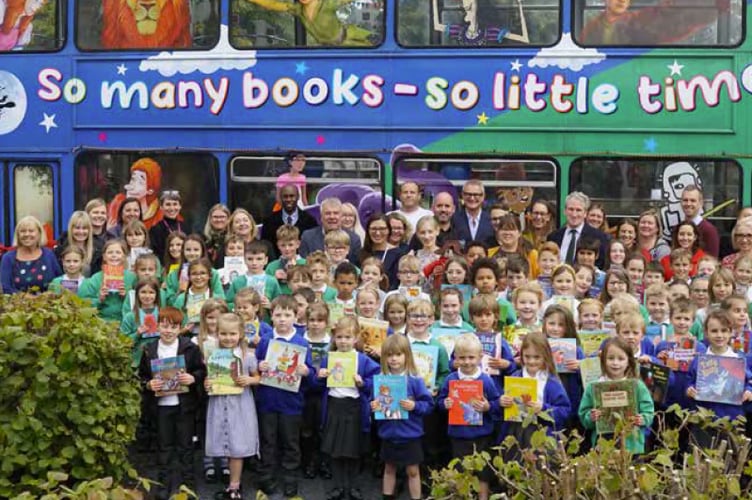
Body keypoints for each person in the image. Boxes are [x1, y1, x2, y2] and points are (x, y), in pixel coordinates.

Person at [139, 307, 205, 499]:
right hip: (160, 407)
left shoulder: (189, 348)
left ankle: (187, 485)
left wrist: (193, 378)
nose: (168, 330)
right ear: (158, 326)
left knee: (185, 446)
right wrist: (149, 384)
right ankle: (163, 484)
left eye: (173, 327)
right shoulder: (150, 349)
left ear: (180, 328)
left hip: (184, 406)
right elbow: (141, 377)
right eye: (164, 326)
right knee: (164, 446)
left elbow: (201, 371)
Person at [255, 295, 314, 497]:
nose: (282, 319)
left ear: (295, 317)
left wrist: (306, 372)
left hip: (291, 403)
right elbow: (255, 369)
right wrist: (259, 366)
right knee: (268, 441)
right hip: (268, 401)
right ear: (271, 316)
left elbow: (312, 376)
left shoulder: (302, 343)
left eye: (287, 315)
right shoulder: (265, 341)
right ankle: (267, 477)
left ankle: (290, 479)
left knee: (291, 443)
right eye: (278, 315)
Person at [318, 316, 380, 500]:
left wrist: (363, 383)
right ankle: (337, 486)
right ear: (334, 338)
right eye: (339, 337)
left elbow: (376, 382)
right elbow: (317, 384)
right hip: (333, 406)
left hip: (354, 408)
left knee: (354, 451)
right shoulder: (329, 358)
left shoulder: (363, 360)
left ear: (356, 339)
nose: (343, 341)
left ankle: (353, 486)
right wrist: (320, 376)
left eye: (347, 337)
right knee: (335, 451)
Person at [204, 312, 261, 500]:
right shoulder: (213, 355)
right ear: (217, 333)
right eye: (224, 334)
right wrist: (207, 383)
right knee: (223, 441)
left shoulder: (247, 355)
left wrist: (250, 380)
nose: (228, 338)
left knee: (237, 444)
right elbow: (210, 378)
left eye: (232, 334)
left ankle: (234, 487)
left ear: (241, 334)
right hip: (219, 403)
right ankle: (230, 484)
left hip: (240, 404)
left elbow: (259, 377)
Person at [438, 333, 501, 500]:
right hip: (458, 435)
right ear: (456, 358)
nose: (467, 362)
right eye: (462, 358)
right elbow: (440, 402)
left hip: (482, 435)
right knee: (460, 473)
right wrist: (445, 404)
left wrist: (488, 406)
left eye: (471, 357)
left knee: (483, 474)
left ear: (480, 357)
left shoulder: (486, 380)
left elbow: (497, 404)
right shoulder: (451, 380)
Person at [371, 334, 434, 500]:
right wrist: (374, 406)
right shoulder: (380, 380)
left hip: (410, 434)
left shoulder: (414, 380)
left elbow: (428, 405)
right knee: (389, 468)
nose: (393, 359)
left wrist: (414, 406)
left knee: (413, 471)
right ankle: (387, 496)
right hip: (388, 433)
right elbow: (375, 404)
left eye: (398, 354)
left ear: (407, 355)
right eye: (389, 355)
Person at [578, 337, 654, 454]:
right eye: (610, 358)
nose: (615, 363)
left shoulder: (637, 386)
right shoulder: (594, 386)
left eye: (621, 359)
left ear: (629, 361)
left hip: (631, 444)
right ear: (603, 360)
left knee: (632, 471)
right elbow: (584, 415)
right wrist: (591, 417)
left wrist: (643, 419)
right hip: (603, 443)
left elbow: (649, 411)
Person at [78, 239, 137, 322]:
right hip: (101, 322)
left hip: (124, 322)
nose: (114, 255)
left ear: (124, 257)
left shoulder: (132, 278)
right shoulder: (95, 279)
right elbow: (84, 305)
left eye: (118, 252)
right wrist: (99, 298)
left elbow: (140, 303)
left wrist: (126, 296)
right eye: (110, 252)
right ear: (104, 257)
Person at [547, 192, 610, 269]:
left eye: (578, 210)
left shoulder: (599, 237)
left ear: (585, 213)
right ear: (565, 211)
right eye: (571, 209)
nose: (574, 214)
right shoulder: (553, 237)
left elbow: (601, 264)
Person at [1, 215, 60, 294]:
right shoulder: (8, 258)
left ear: (39, 233)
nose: (27, 234)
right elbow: (6, 288)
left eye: (31, 231)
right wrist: (29, 299)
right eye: (23, 231)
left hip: (48, 304)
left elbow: (59, 281)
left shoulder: (49, 255)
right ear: (18, 235)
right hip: (18, 305)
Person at [300, 198, 362, 262]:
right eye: (328, 213)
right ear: (321, 217)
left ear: (341, 216)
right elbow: (303, 266)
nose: (332, 217)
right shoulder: (307, 237)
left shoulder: (354, 239)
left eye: (336, 213)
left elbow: (356, 268)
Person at [263, 185, 318, 257]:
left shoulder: (310, 221)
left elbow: (312, 247)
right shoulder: (269, 221)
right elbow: (266, 247)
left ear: (298, 197)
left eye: (292, 196)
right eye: (285, 196)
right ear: (280, 198)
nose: (288, 199)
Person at [149, 191, 189, 265]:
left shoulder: (186, 227)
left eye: (175, 204)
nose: (172, 208)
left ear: (180, 206)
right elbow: (155, 254)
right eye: (168, 204)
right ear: (161, 207)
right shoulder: (155, 229)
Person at [452, 180, 495, 247]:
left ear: (483, 196)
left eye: (476, 194)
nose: (472, 198)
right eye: (468, 194)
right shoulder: (454, 219)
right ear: (462, 195)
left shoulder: (491, 220)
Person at [680, 185, 719, 257]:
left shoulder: (709, 230)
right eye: (685, 200)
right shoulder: (678, 227)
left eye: (693, 200)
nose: (688, 204)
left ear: (701, 203)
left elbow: (712, 260)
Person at [54, 211, 95, 277]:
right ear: (71, 229)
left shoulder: (96, 250)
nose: (81, 232)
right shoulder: (60, 250)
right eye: (77, 228)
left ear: (89, 230)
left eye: (84, 228)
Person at [203, 203, 231, 268]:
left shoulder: (233, 239)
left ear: (228, 219)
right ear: (210, 219)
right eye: (215, 217)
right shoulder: (202, 238)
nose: (218, 220)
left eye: (222, 217)